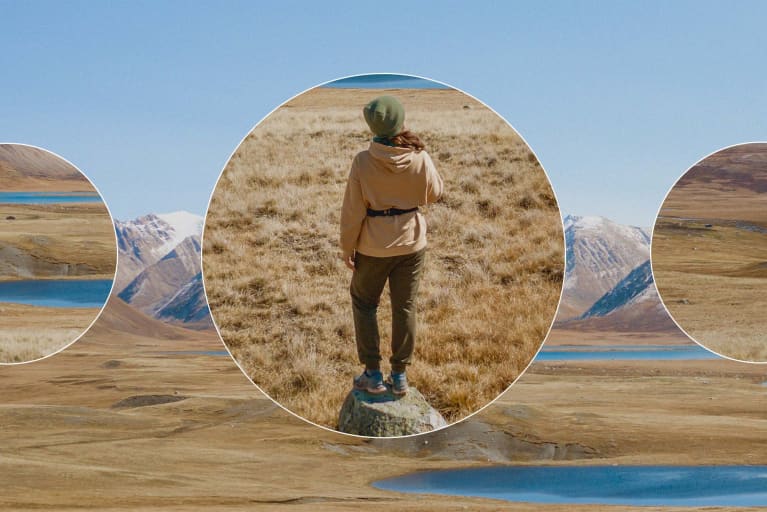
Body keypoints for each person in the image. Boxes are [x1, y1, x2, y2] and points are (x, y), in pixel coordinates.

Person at [339, 95, 443, 396]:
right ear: (401, 121)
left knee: (364, 303)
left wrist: (348, 248)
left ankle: (372, 373)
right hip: (411, 243)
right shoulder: (420, 157)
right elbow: (435, 193)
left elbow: (352, 212)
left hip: (372, 246)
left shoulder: (362, 162)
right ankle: (399, 376)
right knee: (405, 307)